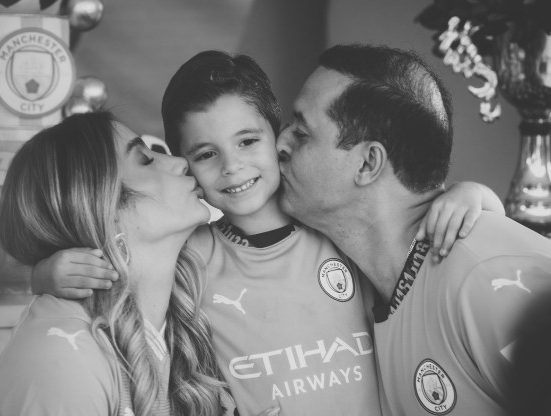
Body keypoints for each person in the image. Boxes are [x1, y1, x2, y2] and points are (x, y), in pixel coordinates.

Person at [32, 51, 504, 416]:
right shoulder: (190, 258)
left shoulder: (334, 227)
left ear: (277, 136)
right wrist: (45, 275)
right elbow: (120, 287)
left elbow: (410, 233)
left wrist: (474, 194)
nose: (232, 166)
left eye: (247, 141)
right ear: (185, 166)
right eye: (206, 154)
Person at [276, 43, 551, 415]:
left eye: (302, 133)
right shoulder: (352, 287)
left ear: (367, 164)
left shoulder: (486, 278)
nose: (280, 143)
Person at [0, 111, 235, 416]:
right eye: (145, 160)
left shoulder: (178, 320)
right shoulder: (65, 359)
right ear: (102, 205)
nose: (179, 162)